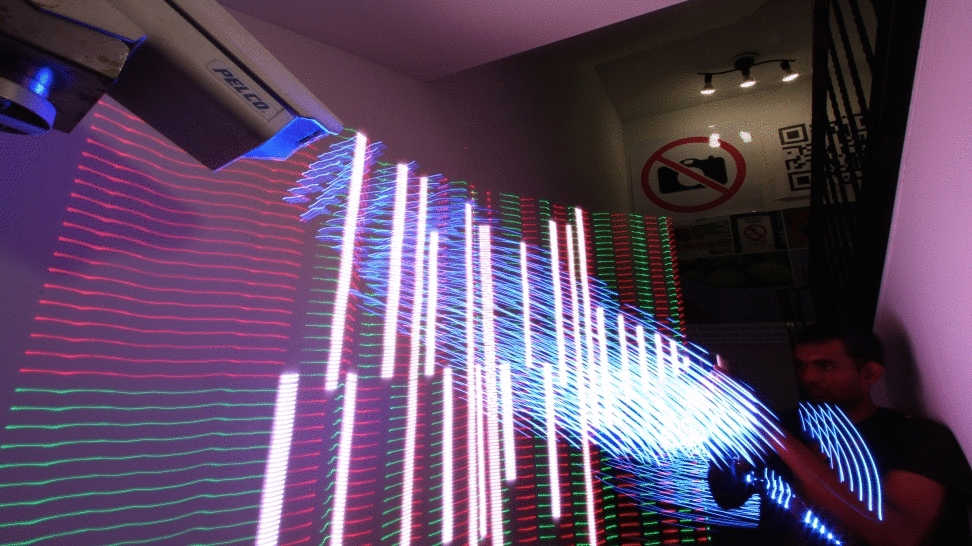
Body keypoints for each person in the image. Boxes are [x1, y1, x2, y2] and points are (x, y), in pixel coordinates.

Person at [708, 323, 972, 545]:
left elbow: (897, 536)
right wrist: (724, 428)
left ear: (870, 373)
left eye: (825, 366)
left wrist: (765, 426)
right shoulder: (789, 424)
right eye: (801, 366)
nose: (809, 377)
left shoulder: (918, 436)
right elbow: (727, 495)